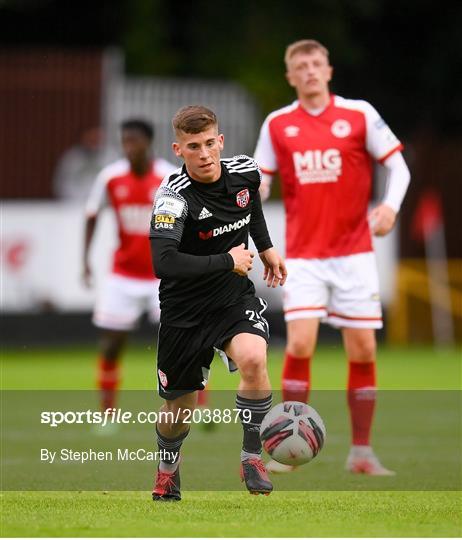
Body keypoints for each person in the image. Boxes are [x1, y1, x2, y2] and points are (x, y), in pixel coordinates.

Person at [254, 39, 410, 475]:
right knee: (301, 343)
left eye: (315, 63)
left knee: (362, 351)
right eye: (299, 65)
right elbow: (262, 178)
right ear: (289, 76)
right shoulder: (278, 124)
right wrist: (255, 193)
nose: (308, 70)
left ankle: (361, 453)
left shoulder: (359, 114)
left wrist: (390, 207)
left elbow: (399, 167)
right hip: (302, 255)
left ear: (328, 69)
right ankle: (288, 451)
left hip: (355, 255)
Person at [149, 105, 287, 501]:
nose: (205, 154)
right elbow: (164, 262)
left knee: (255, 359)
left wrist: (266, 248)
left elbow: (250, 206)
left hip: (231, 297)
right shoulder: (172, 197)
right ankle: (168, 470)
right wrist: (229, 259)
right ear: (179, 149)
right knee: (180, 409)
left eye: (211, 143)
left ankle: (250, 457)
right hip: (184, 310)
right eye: (194, 146)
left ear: (221, 141)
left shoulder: (246, 170)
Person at [83, 119, 177, 413]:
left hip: (163, 275)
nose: (129, 147)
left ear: (148, 142)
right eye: (125, 141)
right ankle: (107, 412)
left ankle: (199, 406)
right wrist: (84, 261)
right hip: (123, 275)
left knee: (183, 341)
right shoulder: (111, 177)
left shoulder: (168, 177)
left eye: (134, 141)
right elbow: (91, 215)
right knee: (111, 345)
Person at [53, 126, 117, 202]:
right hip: (73, 204)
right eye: (90, 139)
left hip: (103, 205)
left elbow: (117, 183)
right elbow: (62, 183)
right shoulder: (72, 158)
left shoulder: (111, 157)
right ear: (83, 139)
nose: (94, 143)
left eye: (96, 139)